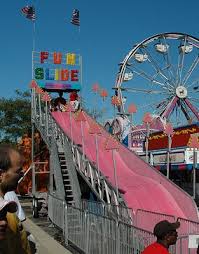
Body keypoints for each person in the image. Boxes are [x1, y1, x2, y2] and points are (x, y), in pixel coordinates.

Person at [0, 144, 31, 254]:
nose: (21, 175)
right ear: (1, 174)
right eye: (18, 171)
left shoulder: (11, 215)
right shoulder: (11, 218)